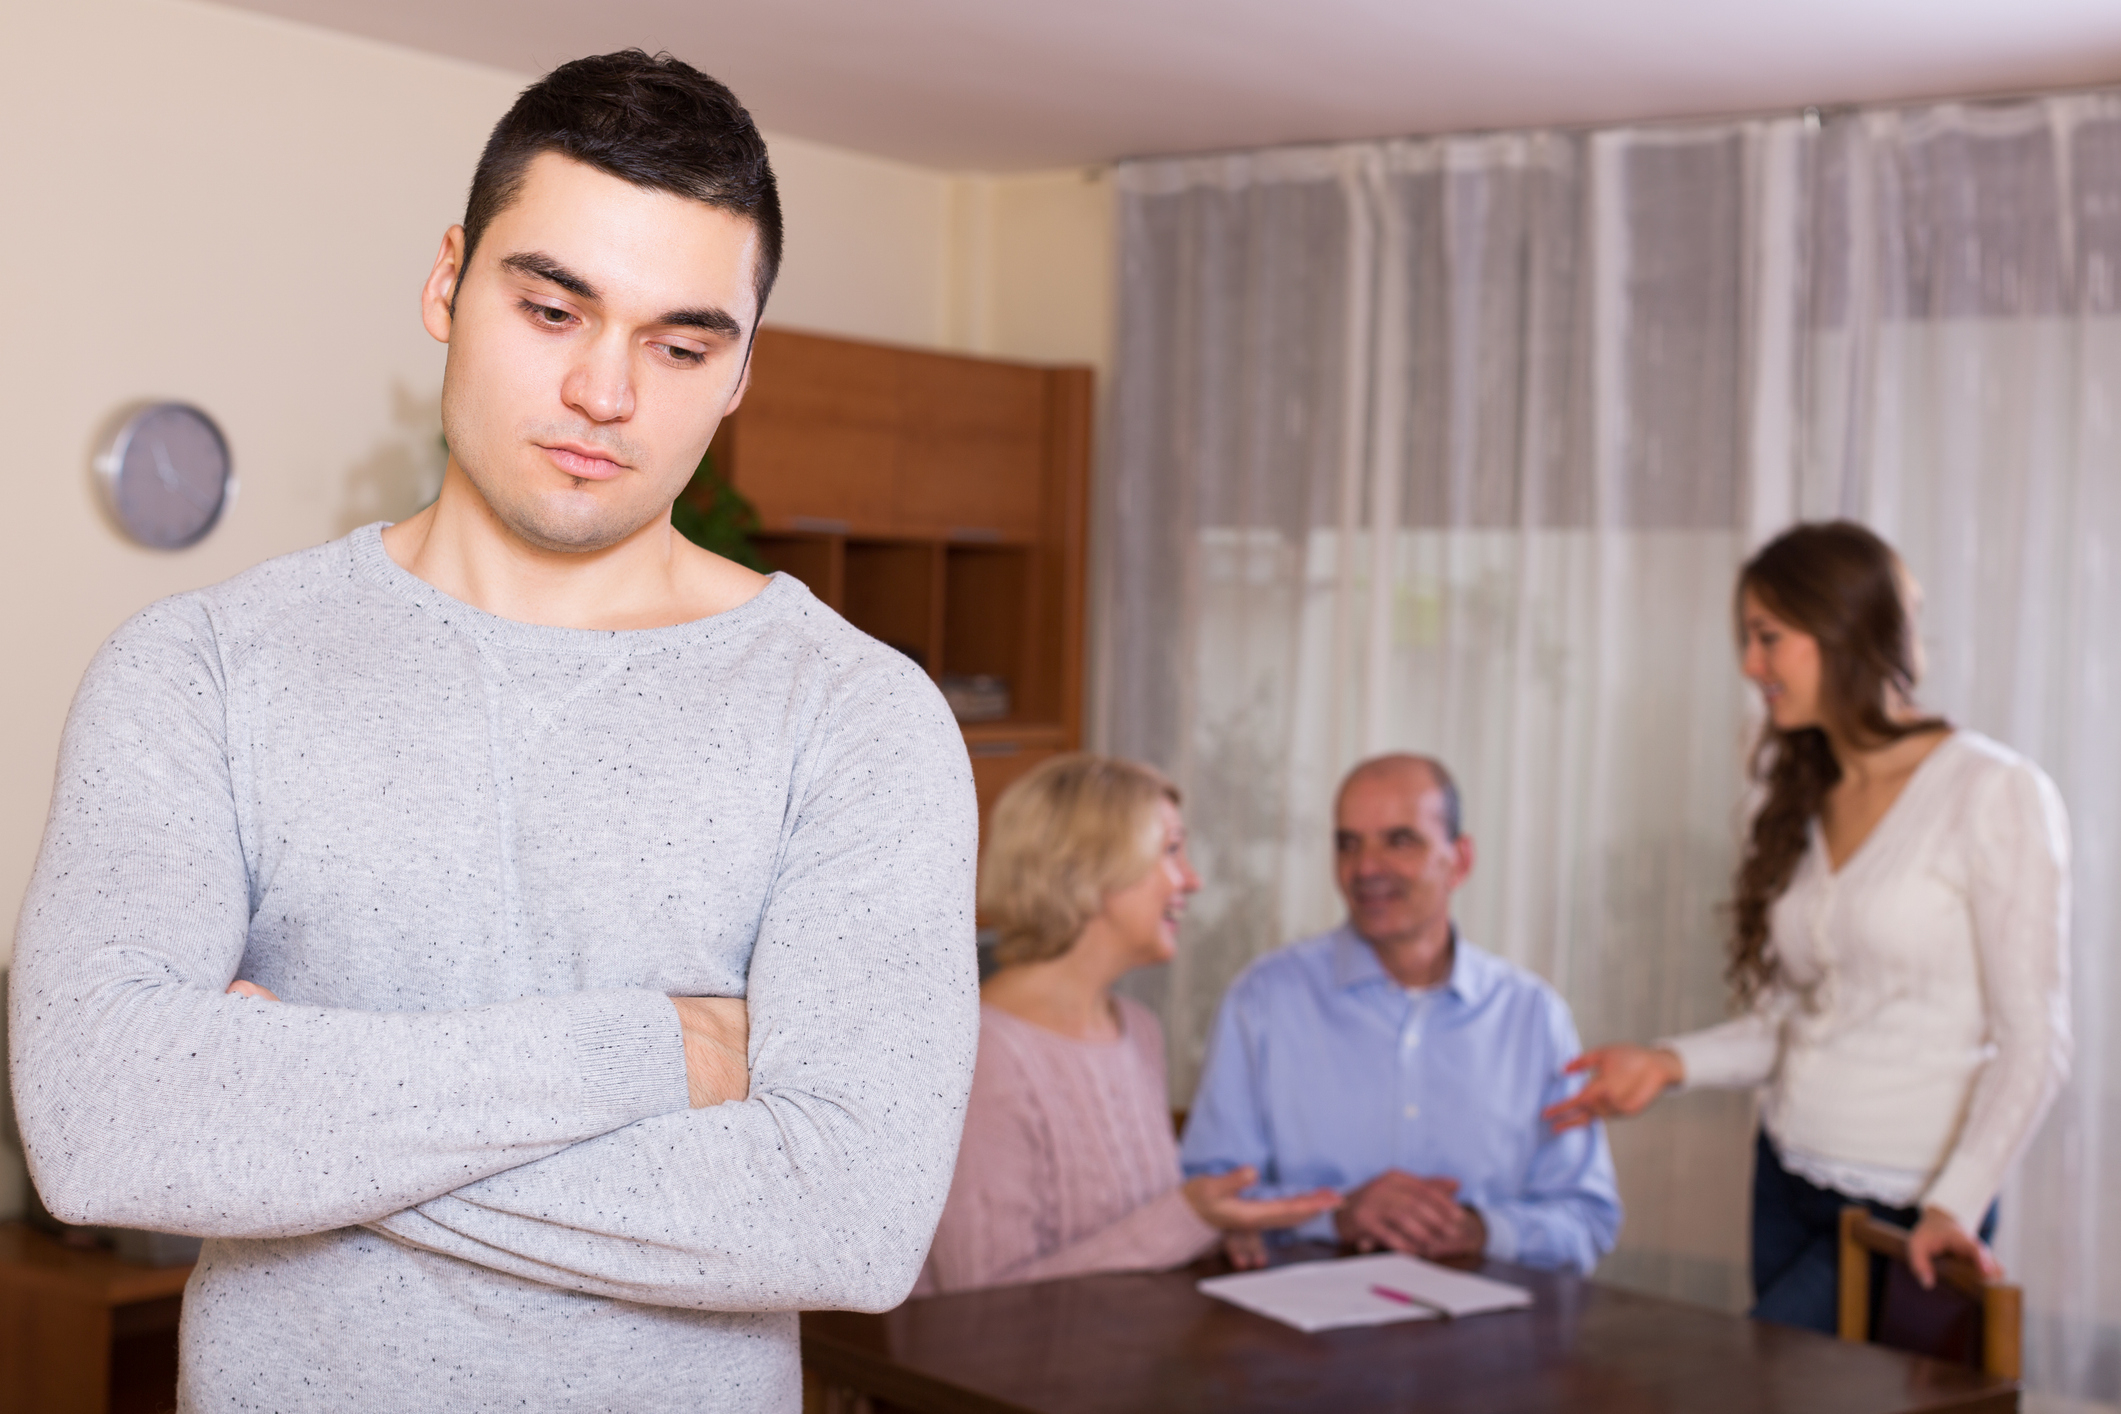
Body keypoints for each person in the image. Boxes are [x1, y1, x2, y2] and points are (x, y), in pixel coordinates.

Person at [9, 51, 979, 1412]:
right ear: (448, 282)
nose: (606, 392)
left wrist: (298, 1127)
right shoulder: (202, 671)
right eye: (550, 307)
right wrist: (662, 1052)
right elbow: (107, 1127)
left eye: (681, 344)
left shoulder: (859, 719)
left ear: (741, 369)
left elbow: (849, 1218)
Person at [1546, 520, 2070, 1334]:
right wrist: (1665, 1064)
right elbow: (1796, 1023)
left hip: (1907, 1216)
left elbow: (2035, 1041)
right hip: (1785, 1179)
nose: (1750, 666)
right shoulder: (1797, 796)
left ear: (1843, 628)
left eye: (1767, 638)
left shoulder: (1991, 792)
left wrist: (1954, 1207)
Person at [1180, 754, 1622, 1273]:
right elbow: (1205, 1200)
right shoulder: (1263, 1001)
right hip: (1304, 1341)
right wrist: (1338, 1215)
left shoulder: (1533, 1017)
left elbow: (1587, 1220)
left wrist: (1481, 1230)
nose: (1366, 868)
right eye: (1348, 843)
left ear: (1460, 860)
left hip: (1489, 1344)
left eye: (1399, 841)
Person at [916, 755, 1339, 1293]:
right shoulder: (982, 1056)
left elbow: (1132, 1236)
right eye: (1170, 850)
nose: (1193, 878)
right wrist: (1189, 1219)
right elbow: (981, 1303)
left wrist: (1212, 1234)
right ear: (1089, 869)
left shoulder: (1137, 1030)